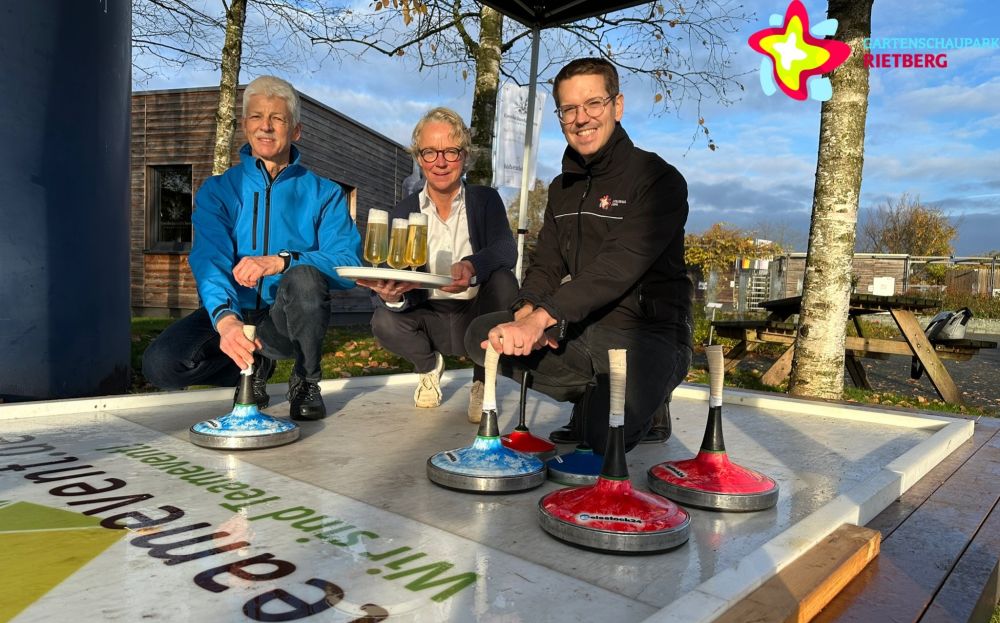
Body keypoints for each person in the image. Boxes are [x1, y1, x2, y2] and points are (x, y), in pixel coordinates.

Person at [466, 58, 692, 454]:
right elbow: (547, 263)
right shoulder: (561, 188)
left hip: (647, 334)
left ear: (617, 106)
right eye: (569, 109)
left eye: (593, 104)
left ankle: (652, 401)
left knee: (601, 441)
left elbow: (616, 268)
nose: (581, 118)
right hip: (583, 327)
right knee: (482, 335)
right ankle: (589, 397)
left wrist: (542, 318)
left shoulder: (659, 180)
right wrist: (525, 311)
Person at [142, 75, 362, 421]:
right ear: (245, 126)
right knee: (161, 365)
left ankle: (305, 380)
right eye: (257, 117)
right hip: (235, 310)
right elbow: (209, 259)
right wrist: (226, 320)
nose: (266, 127)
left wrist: (283, 261)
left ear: (296, 130)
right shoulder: (219, 191)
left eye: (277, 118)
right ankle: (251, 367)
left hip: (284, 317)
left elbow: (349, 264)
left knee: (304, 276)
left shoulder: (325, 193)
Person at [356, 107, 517, 422]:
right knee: (383, 319)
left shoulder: (485, 200)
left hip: (476, 313)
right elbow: (386, 280)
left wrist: (472, 266)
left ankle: (483, 377)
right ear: (419, 158)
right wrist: (392, 296)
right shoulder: (400, 213)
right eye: (430, 152)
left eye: (450, 152)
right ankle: (429, 366)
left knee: (504, 283)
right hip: (426, 315)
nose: (440, 162)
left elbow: (505, 249)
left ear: (465, 156)